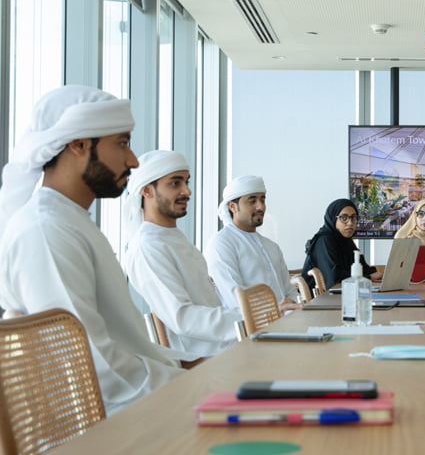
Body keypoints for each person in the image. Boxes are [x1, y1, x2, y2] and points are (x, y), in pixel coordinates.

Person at [0, 85, 186, 414]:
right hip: (106, 431)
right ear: (78, 145)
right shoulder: (47, 231)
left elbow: (123, 349)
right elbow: (95, 369)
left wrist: (192, 372)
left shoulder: (70, 221)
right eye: (122, 143)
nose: (132, 160)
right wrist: (194, 388)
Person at [121, 150, 241, 357]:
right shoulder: (147, 246)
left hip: (232, 347)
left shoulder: (172, 238)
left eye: (187, 182)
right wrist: (250, 318)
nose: (187, 191)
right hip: (207, 362)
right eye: (175, 183)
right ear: (147, 191)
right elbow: (183, 318)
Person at [204, 176, 300, 312]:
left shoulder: (271, 246)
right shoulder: (221, 244)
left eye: (262, 199)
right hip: (248, 329)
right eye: (252, 200)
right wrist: (275, 312)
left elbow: (290, 292)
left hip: (283, 325)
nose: (260, 206)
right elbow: (235, 300)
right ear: (232, 206)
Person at [302, 198, 382, 289]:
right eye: (344, 218)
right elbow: (334, 277)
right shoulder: (324, 241)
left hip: (343, 295)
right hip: (321, 300)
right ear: (333, 219)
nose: (350, 223)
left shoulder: (346, 241)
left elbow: (363, 269)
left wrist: (380, 275)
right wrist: (369, 278)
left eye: (354, 218)